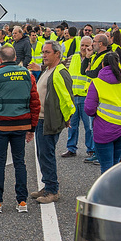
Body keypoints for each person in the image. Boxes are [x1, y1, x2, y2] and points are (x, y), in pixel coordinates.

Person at [0, 45, 39, 214]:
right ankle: (22, 202)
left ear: (0, 59)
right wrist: (32, 128)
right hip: (21, 125)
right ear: (15, 58)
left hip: (0, 126)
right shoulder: (28, 76)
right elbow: (35, 103)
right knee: (19, 162)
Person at [30, 40, 74, 205]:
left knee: (47, 155)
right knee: (42, 154)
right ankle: (47, 185)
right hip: (41, 119)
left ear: (57, 54)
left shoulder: (60, 72)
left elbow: (67, 98)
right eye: (43, 52)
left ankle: (52, 191)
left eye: (47, 52)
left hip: (49, 120)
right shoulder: (49, 70)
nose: (43, 55)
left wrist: (66, 118)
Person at [63, 37, 95, 160]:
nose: (84, 48)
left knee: (89, 126)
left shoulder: (93, 59)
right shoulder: (72, 58)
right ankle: (71, 148)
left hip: (86, 97)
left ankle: (91, 149)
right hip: (73, 97)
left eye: (87, 46)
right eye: (82, 45)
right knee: (72, 125)